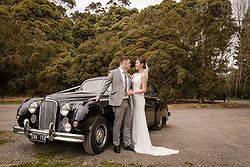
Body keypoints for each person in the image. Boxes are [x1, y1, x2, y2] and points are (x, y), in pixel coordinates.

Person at [128, 57, 179, 156]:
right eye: (135, 63)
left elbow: (143, 90)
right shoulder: (134, 75)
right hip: (132, 99)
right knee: (134, 119)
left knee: (139, 119)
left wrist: (132, 92)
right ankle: (134, 141)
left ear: (142, 64)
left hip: (138, 99)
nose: (135, 64)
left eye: (137, 63)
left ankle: (140, 142)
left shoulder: (143, 76)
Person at [95, 56, 134, 154]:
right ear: (124, 63)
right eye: (129, 63)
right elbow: (106, 84)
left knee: (127, 124)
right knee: (117, 124)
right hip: (117, 102)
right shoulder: (113, 73)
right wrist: (98, 96)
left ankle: (127, 144)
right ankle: (116, 144)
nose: (130, 65)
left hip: (128, 102)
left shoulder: (129, 76)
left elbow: (131, 88)